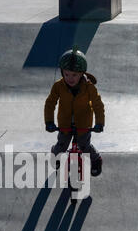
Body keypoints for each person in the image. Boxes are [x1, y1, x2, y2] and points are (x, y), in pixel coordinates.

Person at [44, 46, 105, 176]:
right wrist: (49, 121)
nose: (70, 78)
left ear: (82, 73)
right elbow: (50, 103)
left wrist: (100, 123)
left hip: (83, 124)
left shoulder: (89, 87)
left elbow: (97, 105)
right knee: (61, 146)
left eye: (74, 75)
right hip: (65, 123)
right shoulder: (58, 86)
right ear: (62, 73)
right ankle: (54, 154)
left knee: (85, 146)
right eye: (66, 74)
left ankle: (96, 160)